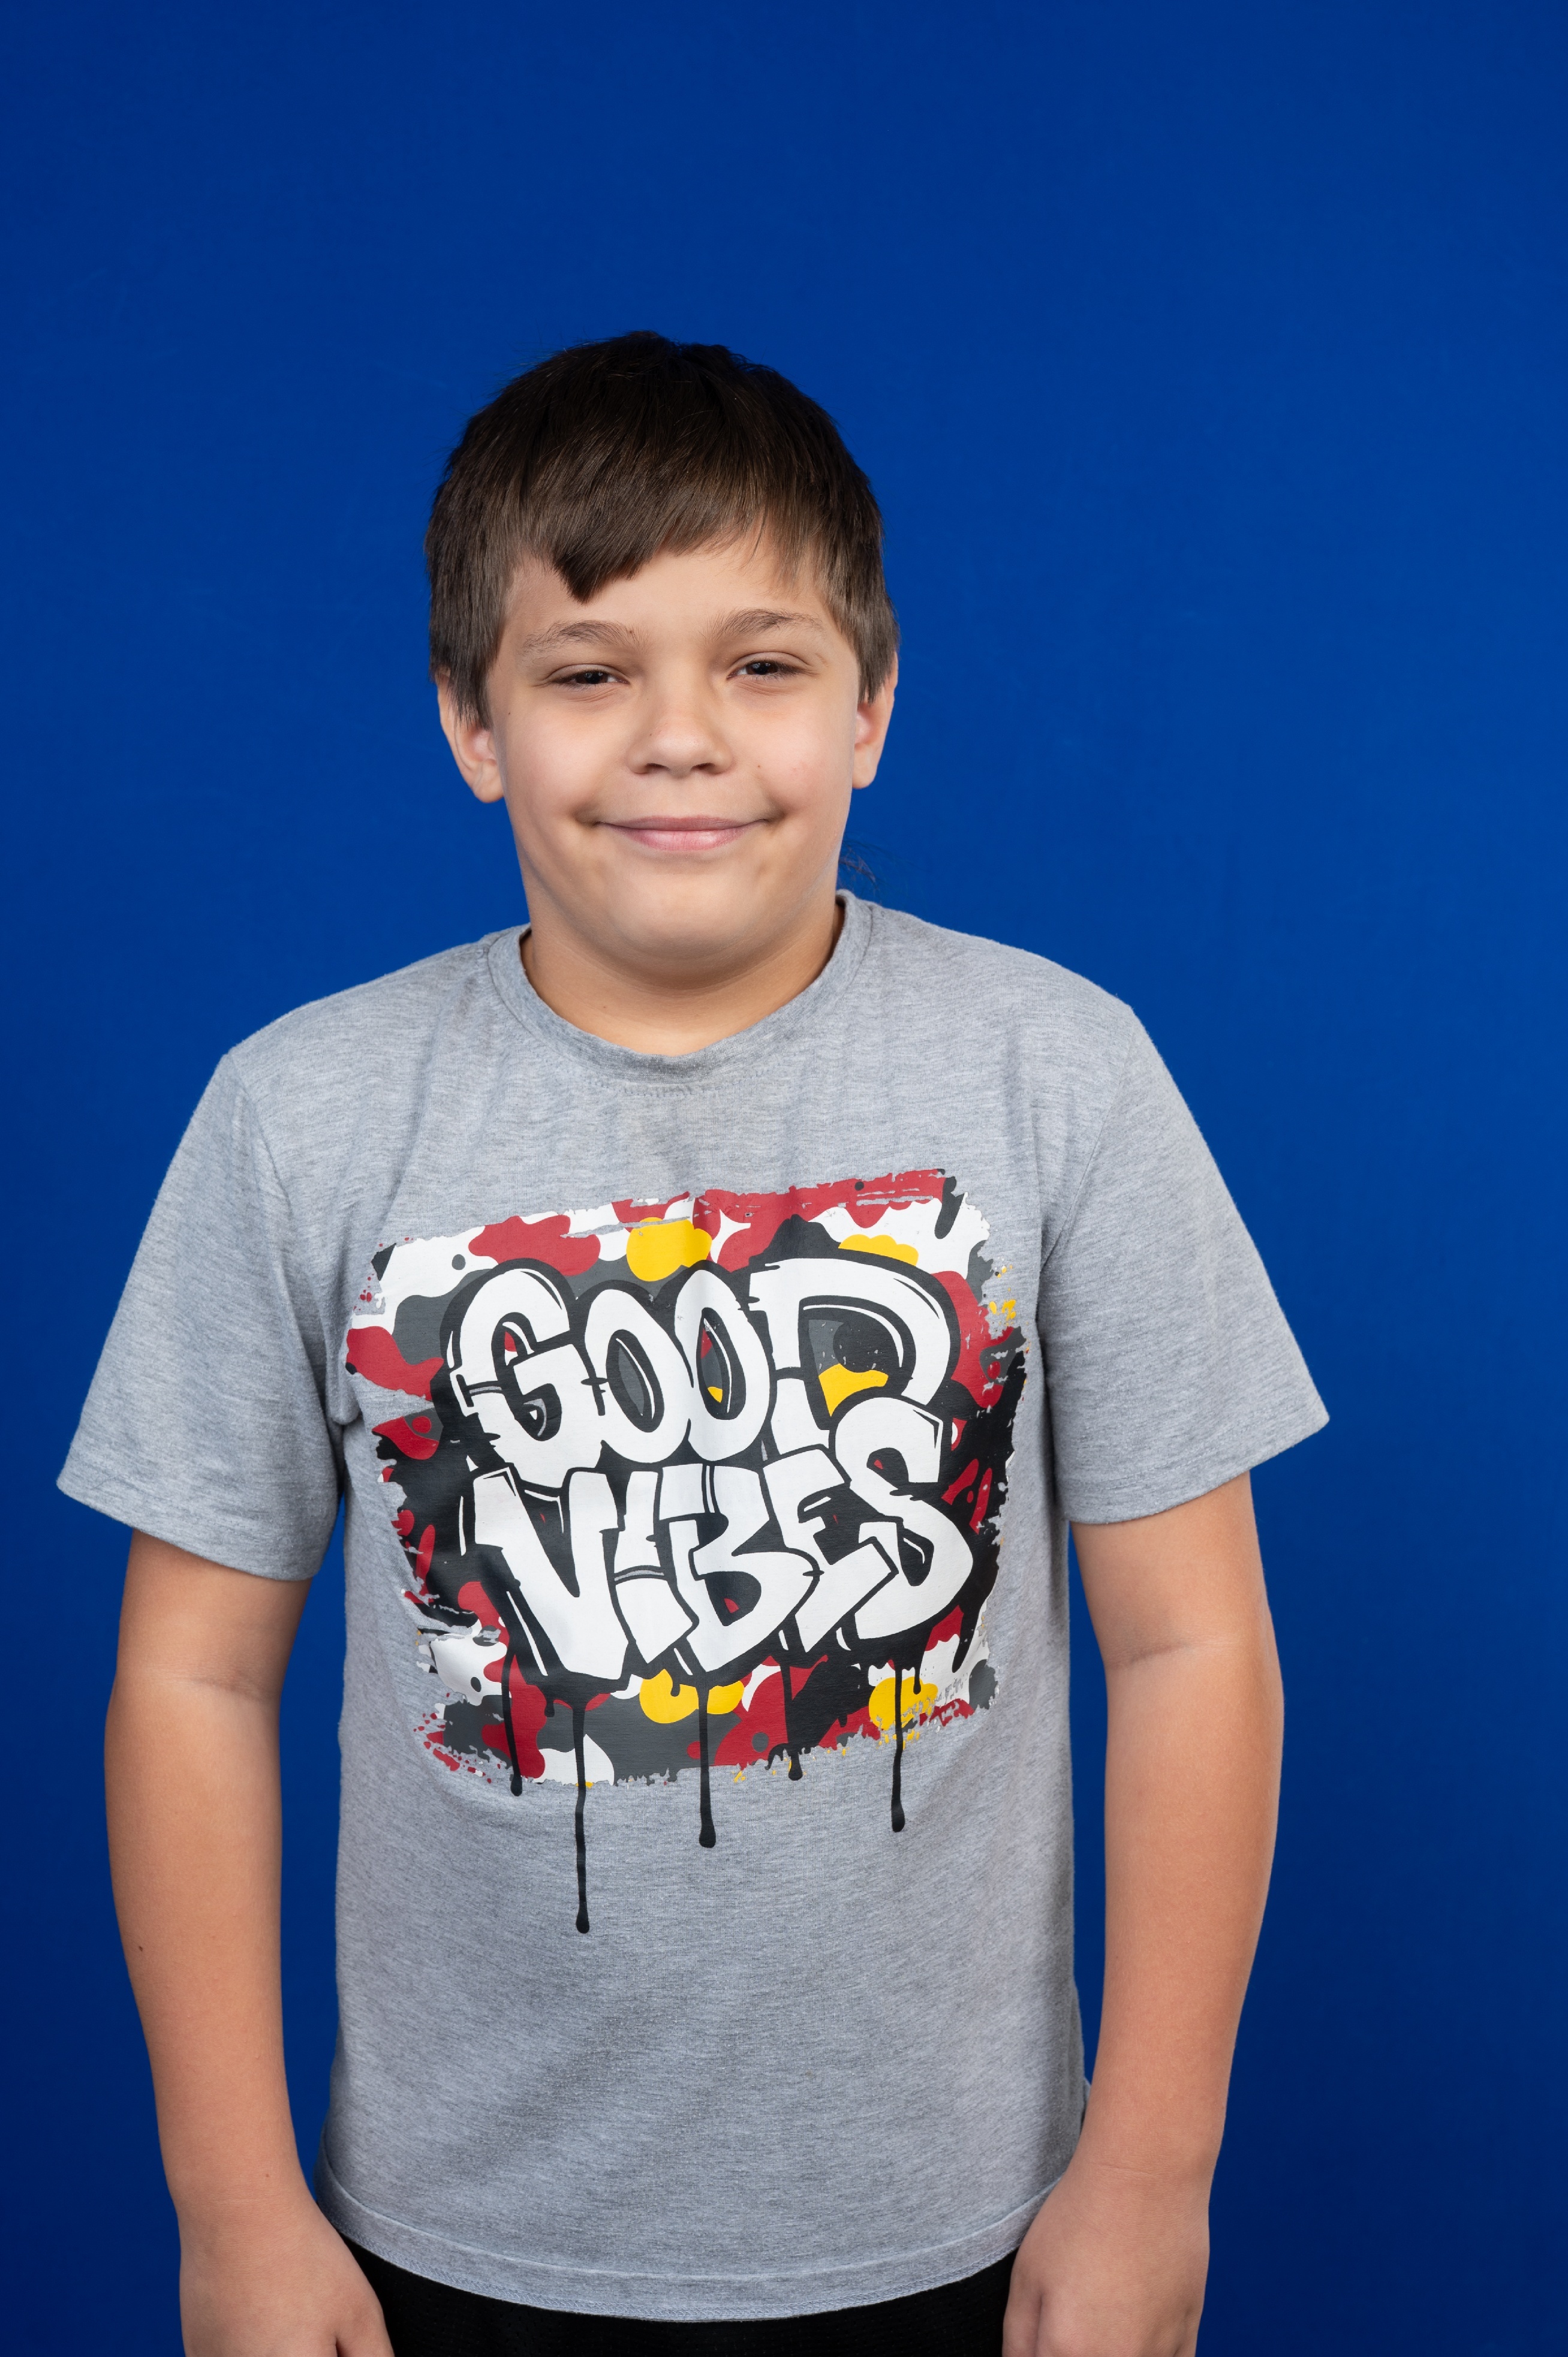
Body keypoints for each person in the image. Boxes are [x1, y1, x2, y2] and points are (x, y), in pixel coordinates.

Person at [63, 331, 1326, 2357]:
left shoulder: (1062, 1077)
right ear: (472, 721)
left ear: (871, 707)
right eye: (588, 672)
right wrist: (230, 2204)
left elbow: (1194, 1645)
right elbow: (190, 1674)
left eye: (761, 662)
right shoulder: (301, 1115)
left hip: (969, 2229)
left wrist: (1153, 2169)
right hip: (446, 2241)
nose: (680, 739)